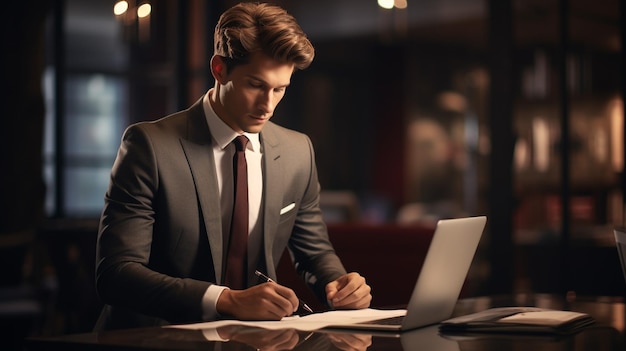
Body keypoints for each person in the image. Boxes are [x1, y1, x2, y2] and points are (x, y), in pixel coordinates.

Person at [94, 2, 372, 330]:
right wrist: (226, 300)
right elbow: (116, 274)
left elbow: (313, 250)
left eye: (279, 89)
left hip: (255, 338)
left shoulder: (298, 151)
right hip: (151, 337)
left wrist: (338, 284)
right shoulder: (149, 146)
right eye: (256, 85)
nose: (267, 104)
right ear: (219, 70)